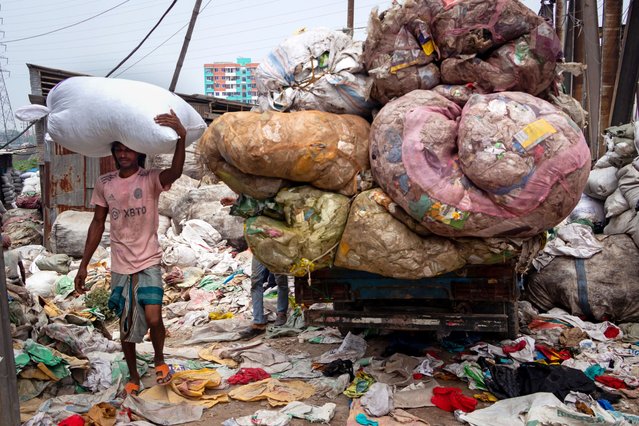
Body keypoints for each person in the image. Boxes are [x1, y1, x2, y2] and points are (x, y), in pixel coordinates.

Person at [74, 109, 186, 397]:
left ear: (139, 153)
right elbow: (98, 222)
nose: (123, 154)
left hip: (149, 258)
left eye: (128, 149)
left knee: (152, 318)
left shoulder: (150, 179)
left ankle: (160, 359)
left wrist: (181, 138)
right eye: (119, 150)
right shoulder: (105, 183)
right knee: (126, 326)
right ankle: (134, 375)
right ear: (114, 153)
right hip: (121, 263)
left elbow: (175, 172)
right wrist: (83, 265)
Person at [239, 257, 289, 339]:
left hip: (277, 248)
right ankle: (258, 322)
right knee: (255, 281)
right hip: (258, 249)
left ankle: (281, 313)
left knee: (281, 280)